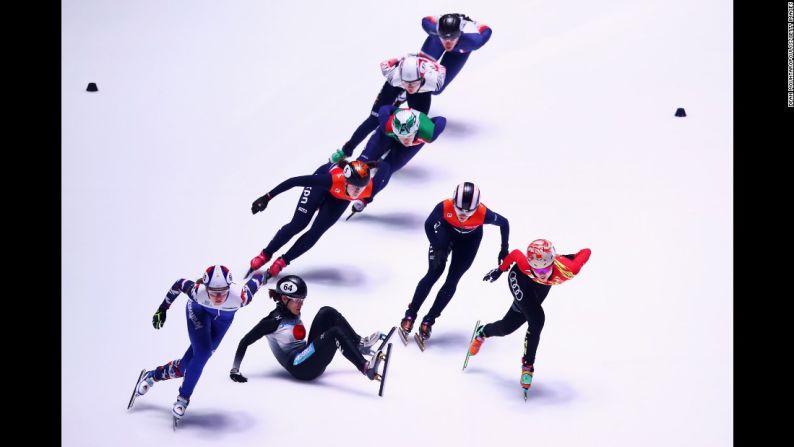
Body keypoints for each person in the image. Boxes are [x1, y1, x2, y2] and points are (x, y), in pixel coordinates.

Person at [128, 265, 267, 423]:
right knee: (202, 354)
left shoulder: (241, 297)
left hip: (222, 323)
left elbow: (257, 279)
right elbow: (179, 283)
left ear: (230, 287)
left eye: (222, 292)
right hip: (199, 312)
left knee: (184, 368)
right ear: (205, 287)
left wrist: (267, 273)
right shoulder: (197, 293)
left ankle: (153, 375)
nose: (218, 297)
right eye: (213, 292)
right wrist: (163, 308)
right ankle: (183, 399)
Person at [472, 239, 591, 396]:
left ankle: (483, 331)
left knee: (507, 327)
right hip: (519, 278)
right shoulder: (525, 265)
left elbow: (587, 251)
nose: (541, 274)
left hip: (540, 287)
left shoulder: (568, 269)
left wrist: (570, 257)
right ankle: (527, 366)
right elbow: (515, 254)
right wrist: (500, 270)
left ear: (553, 261)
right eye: (537, 270)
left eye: (544, 270)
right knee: (537, 318)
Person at [398, 182, 510, 344]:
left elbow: (504, 223)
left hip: (470, 242)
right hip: (446, 234)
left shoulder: (484, 213)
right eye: (459, 209)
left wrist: (504, 249)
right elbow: (429, 225)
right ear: (453, 202)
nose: (463, 214)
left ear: (477, 207)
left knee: (452, 280)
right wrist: (437, 246)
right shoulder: (444, 206)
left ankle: (429, 321)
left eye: (469, 211)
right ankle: (410, 314)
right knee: (434, 272)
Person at [229, 275, 386, 383]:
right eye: (297, 300)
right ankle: (366, 368)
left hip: (306, 354)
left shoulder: (290, 310)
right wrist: (235, 370)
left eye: (302, 300)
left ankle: (360, 345)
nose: (301, 304)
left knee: (327, 311)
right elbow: (244, 341)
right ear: (284, 298)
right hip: (300, 368)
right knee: (334, 333)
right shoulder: (271, 322)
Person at [247, 159, 375, 279]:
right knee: (298, 224)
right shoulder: (330, 179)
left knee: (315, 233)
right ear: (346, 182)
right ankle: (266, 254)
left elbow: (383, 173)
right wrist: (267, 197)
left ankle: (282, 262)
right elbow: (294, 181)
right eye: (355, 187)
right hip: (322, 186)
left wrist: (366, 200)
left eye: (362, 188)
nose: (358, 192)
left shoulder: (368, 189)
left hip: (340, 199)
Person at [331, 53, 446, 163]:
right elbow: (384, 64)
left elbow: (442, 68)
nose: (410, 87)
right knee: (374, 119)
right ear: (401, 78)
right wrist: (400, 58)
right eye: (406, 83)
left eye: (413, 83)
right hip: (395, 88)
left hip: (421, 91)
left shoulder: (434, 81)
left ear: (422, 78)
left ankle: (388, 150)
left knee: (414, 124)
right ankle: (346, 149)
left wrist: (430, 63)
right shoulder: (394, 77)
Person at [345, 104, 447, 217]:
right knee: (362, 163)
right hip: (387, 135)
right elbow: (384, 108)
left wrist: (428, 121)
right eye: (401, 136)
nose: (404, 140)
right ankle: (341, 181)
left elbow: (441, 119)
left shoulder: (429, 133)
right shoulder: (387, 124)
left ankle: (365, 199)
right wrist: (397, 110)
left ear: (416, 129)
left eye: (408, 136)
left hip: (411, 143)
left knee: (387, 167)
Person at [419, 13, 492, 94]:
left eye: (453, 38)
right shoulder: (433, 30)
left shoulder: (472, 41)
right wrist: (440, 18)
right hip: (437, 42)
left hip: (459, 53)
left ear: (460, 34)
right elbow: (425, 20)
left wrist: (475, 24)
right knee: (418, 73)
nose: (448, 42)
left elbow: (488, 30)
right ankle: (402, 95)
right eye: (444, 37)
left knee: (436, 88)